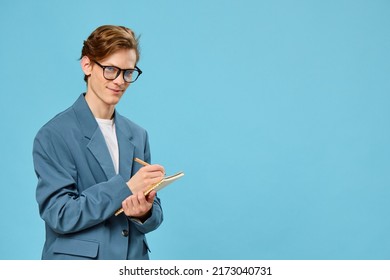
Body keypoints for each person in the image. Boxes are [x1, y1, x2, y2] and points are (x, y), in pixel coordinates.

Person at [32, 25, 165, 260]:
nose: (120, 81)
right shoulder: (53, 134)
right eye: (111, 69)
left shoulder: (138, 134)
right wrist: (126, 189)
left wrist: (144, 212)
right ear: (87, 65)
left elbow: (153, 216)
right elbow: (60, 214)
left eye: (128, 72)